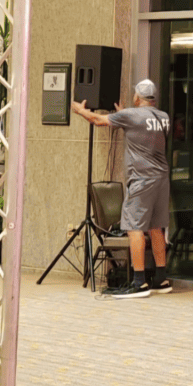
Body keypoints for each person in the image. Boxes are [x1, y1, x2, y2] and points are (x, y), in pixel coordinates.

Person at [72, 79, 172, 299]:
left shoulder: (132, 116)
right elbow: (139, 124)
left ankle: (139, 282)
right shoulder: (163, 117)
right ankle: (161, 279)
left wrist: (80, 111)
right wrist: (125, 114)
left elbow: (97, 120)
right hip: (161, 178)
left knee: (134, 227)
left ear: (137, 97)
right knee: (156, 227)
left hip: (141, 179)